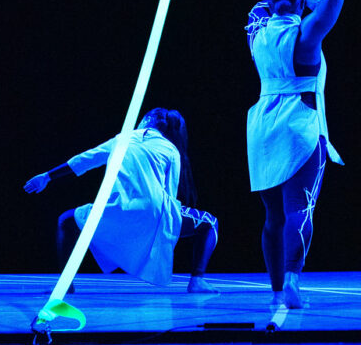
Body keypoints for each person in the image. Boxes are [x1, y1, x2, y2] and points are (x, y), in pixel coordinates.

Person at [245, 0, 344, 309]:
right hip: (299, 125)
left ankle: (273, 291)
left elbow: (260, 7)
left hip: (262, 127)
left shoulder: (255, 33)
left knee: (272, 218)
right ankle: (291, 279)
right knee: (299, 209)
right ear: (302, 3)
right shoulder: (306, 34)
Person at [23, 107, 218, 293]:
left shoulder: (122, 139)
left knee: (66, 221)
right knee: (210, 223)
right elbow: (170, 195)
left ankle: (66, 284)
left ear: (147, 120)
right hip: (154, 215)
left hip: (117, 211)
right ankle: (197, 280)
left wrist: (47, 176)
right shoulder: (171, 150)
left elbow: (85, 159)